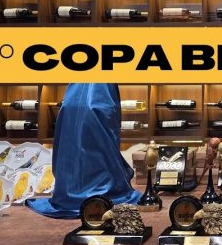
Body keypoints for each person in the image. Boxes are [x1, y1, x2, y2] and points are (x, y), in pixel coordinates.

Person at [27, 83, 140, 218]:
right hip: (97, 92)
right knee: (96, 127)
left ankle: (74, 192)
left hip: (80, 92)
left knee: (82, 128)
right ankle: (99, 192)